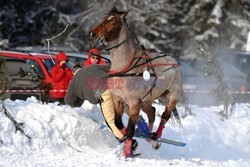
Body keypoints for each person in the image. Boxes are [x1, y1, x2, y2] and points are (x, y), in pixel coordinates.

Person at [64, 64, 138, 151]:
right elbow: (111, 67)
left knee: (110, 120)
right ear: (83, 67)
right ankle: (141, 123)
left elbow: (69, 101)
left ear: (74, 72)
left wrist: (80, 99)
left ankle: (128, 142)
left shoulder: (74, 82)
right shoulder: (92, 66)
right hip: (116, 86)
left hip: (104, 93)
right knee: (126, 108)